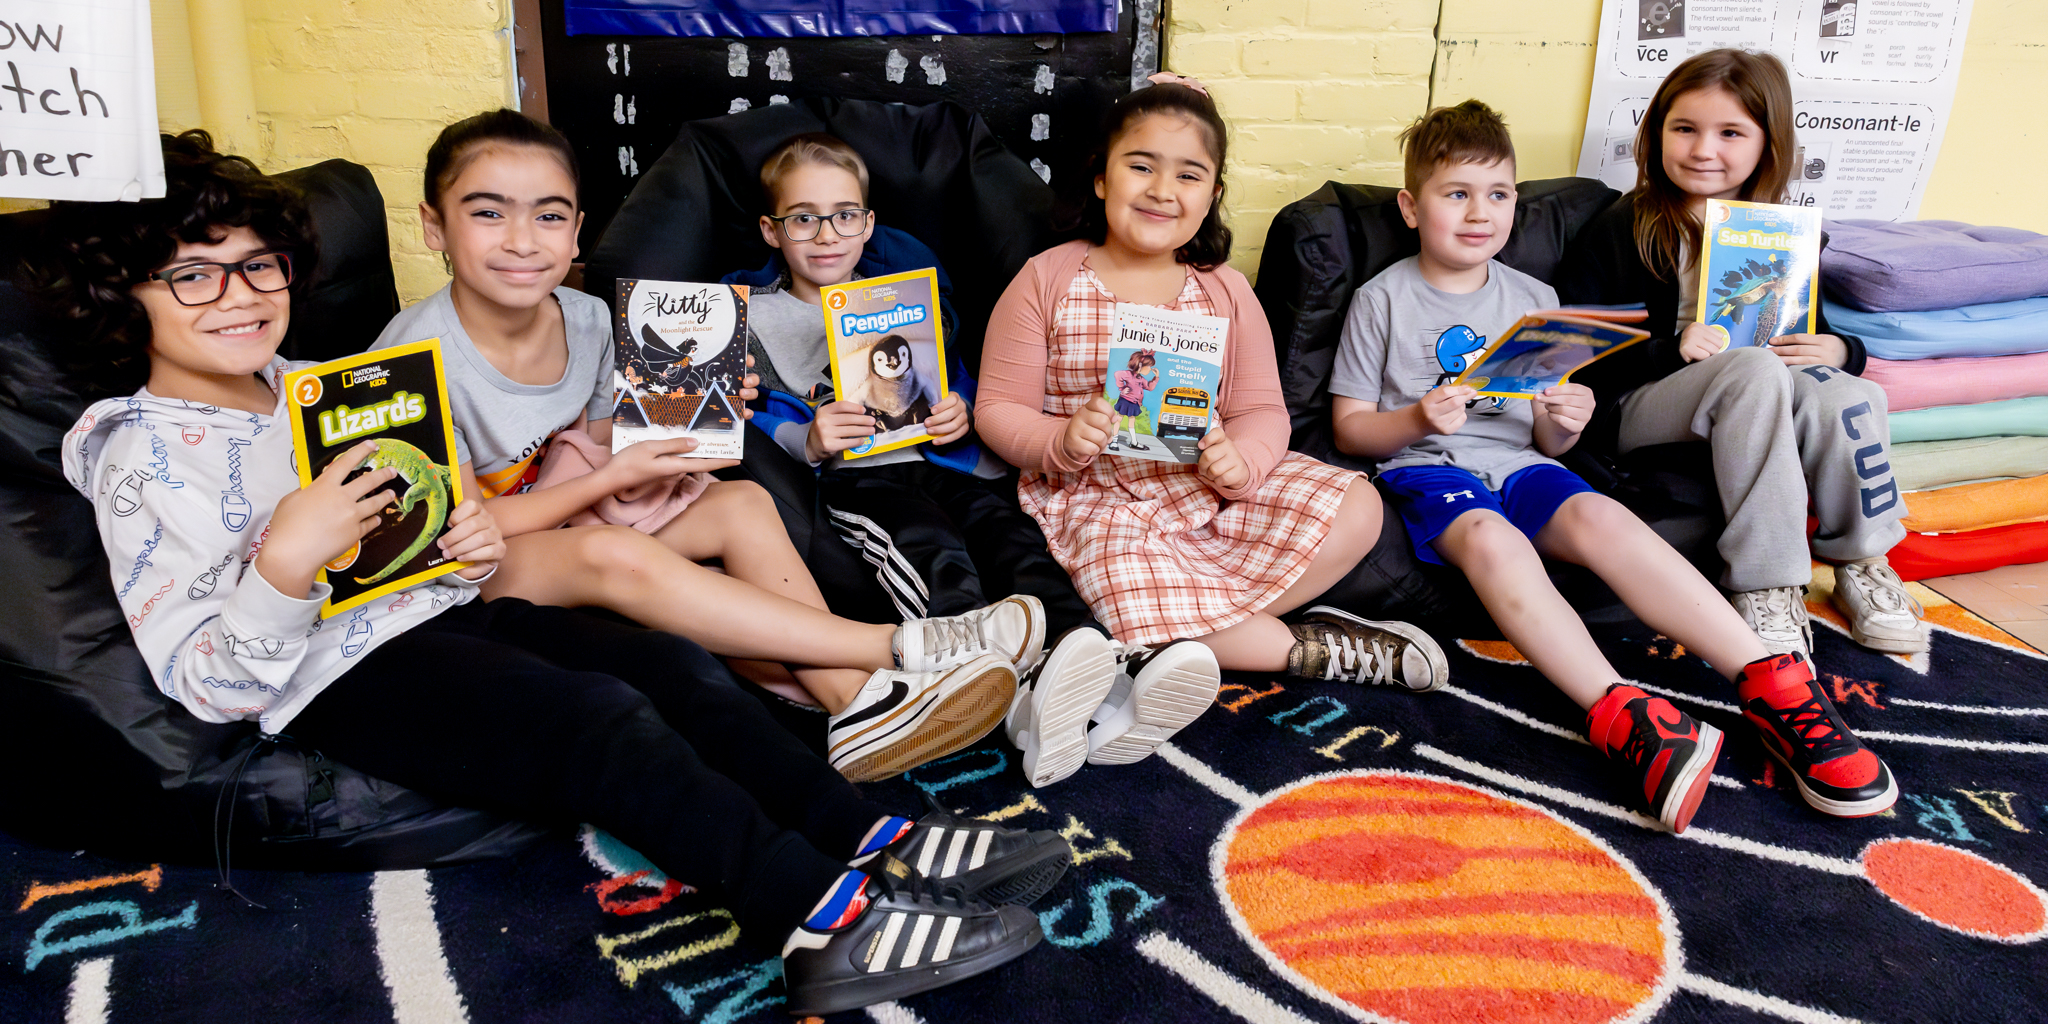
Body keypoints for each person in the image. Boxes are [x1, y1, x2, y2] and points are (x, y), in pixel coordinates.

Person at [43, 130, 1059, 1015]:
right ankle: (817, 921)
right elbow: (210, 684)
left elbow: (437, 526)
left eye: (260, 267)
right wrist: (284, 561)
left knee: (670, 669)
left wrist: (466, 540)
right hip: (334, 678)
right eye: (193, 274)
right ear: (124, 295)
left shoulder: (314, 391)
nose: (240, 295)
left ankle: (873, 832)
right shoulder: (139, 452)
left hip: (438, 614)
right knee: (591, 723)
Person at [372, 110, 1049, 783]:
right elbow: (453, 537)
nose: (523, 241)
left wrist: (703, 401)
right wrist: (610, 479)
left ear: (577, 230)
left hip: (571, 517)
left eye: (549, 217)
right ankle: (905, 650)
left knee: (744, 502)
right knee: (616, 552)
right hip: (475, 568)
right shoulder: (407, 359)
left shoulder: (584, 315)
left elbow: (602, 435)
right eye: (489, 214)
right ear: (434, 225)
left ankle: (856, 709)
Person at [1330, 100, 1896, 828]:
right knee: (1493, 541)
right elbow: (1349, 431)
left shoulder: (1536, 300)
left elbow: (1550, 437)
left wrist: (1564, 421)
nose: (1480, 213)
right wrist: (1414, 418)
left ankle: (1772, 683)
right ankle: (1623, 715)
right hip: (1430, 470)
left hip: (1521, 464)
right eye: (1456, 194)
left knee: (1603, 515)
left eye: (1498, 195)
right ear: (1412, 207)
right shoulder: (1381, 299)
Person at [976, 74, 1451, 775]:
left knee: (1356, 504)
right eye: (1141, 166)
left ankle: (1176, 644)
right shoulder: (1047, 278)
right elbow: (996, 408)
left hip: (1206, 488)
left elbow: (1262, 409)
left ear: (1213, 195)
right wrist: (1057, 439)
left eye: (1189, 175)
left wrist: (1246, 460)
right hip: (1100, 499)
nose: (1163, 190)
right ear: (1101, 180)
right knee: (1130, 595)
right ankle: (1311, 650)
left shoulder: (1222, 288)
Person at [730, 131, 1121, 788]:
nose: (827, 234)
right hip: (857, 483)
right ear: (772, 231)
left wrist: (957, 411)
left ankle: (1082, 664)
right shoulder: (746, 314)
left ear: (868, 223)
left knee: (1013, 539)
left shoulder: (904, 297)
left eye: (844, 215)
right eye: (804, 218)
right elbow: (742, 418)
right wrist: (810, 439)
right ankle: (976, 683)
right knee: (931, 549)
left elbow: (952, 376)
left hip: (939, 464)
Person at [1556, 49, 1925, 659]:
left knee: (1851, 391)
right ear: (1657, 135)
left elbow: (1819, 334)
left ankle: (1863, 561)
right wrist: (1669, 351)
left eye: (1730, 133)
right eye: (1685, 129)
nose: (1704, 149)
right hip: (1640, 402)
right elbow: (1578, 354)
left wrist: (1839, 347)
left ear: (1767, 145)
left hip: (1755, 384)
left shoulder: (1778, 232)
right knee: (1753, 367)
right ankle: (1765, 584)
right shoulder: (1626, 224)